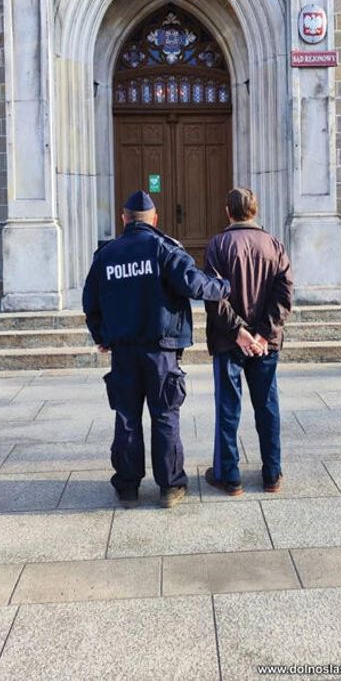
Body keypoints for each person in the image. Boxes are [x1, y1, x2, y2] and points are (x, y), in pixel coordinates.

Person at [82, 191, 231, 509]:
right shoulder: (164, 249)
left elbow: (90, 302)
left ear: (124, 219)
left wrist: (102, 335)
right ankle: (170, 487)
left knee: (126, 418)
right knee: (164, 416)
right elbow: (193, 284)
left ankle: (127, 488)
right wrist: (225, 286)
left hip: (123, 350)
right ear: (155, 219)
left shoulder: (106, 255)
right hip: (161, 349)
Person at [203, 187, 293, 496]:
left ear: (228, 212)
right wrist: (262, 334)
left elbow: (214, 298)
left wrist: (239, 332)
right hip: (264, 344)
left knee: (228, 408)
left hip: (230, 342)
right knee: (267, 406)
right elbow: (284, 296)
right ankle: (272, 474)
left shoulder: (218, 245)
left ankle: (230, 477)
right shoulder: (274, 245)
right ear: (255, 210)